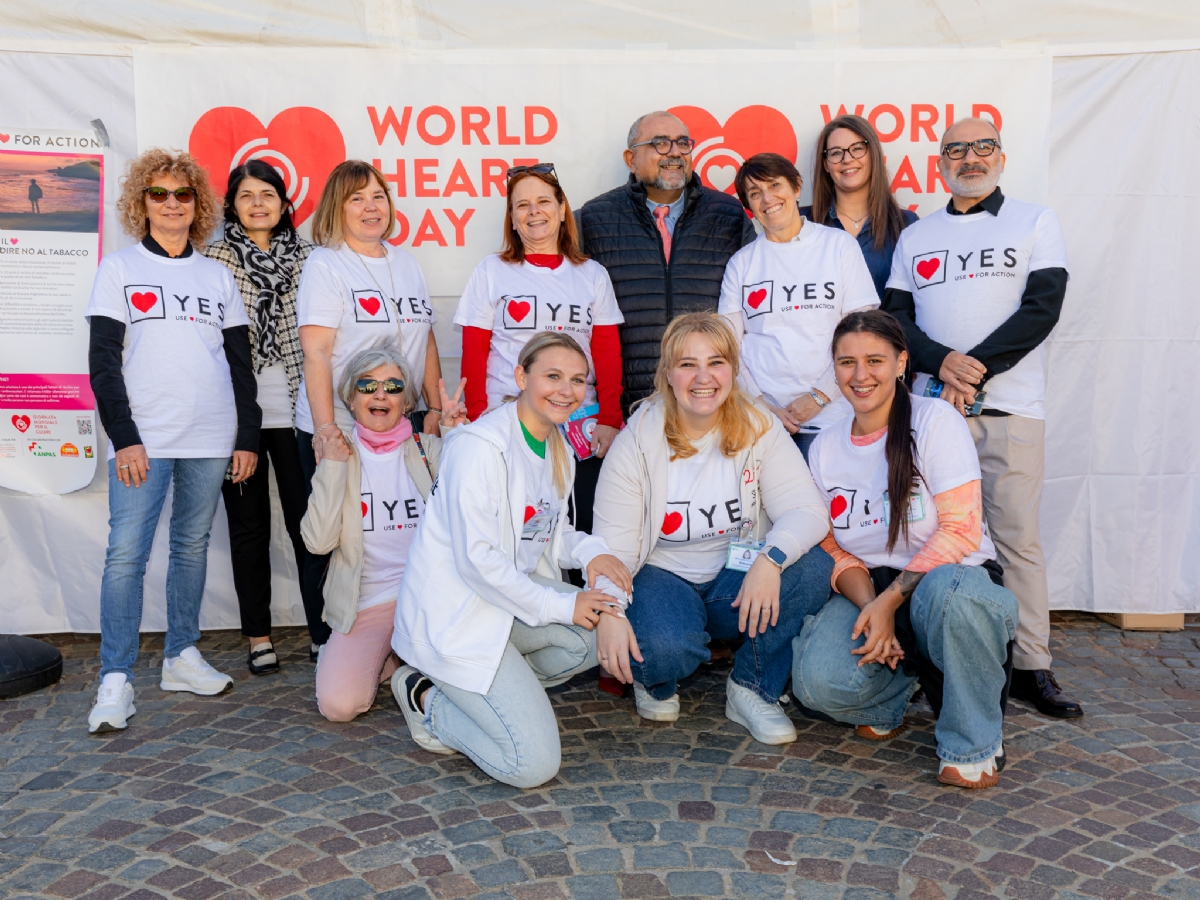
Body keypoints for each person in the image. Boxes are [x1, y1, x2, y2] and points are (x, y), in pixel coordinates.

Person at [881, 118, 1081, 719]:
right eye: (957, 149)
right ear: (940, 161)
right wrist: (943, 366)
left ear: (1001, 155)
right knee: (929, 534)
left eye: (982, 147)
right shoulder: (918, 235)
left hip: (1011, 410)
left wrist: (974, 371)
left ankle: (1030, 667)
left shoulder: (1034, 219)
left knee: (1017, 540)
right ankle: (936, 660)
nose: (970, 158)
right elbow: (897, 319)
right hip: (933, 415)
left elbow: (1042, 307)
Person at [391, 332, 631, 788]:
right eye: (553, 376)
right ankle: (428, 699)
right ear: (521, 376)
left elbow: (550, 536)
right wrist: (564, 605)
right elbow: (477, 562)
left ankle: (498, 694)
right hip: (458, 618)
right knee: (532, 765)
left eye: (578, 380)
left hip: (505, 605)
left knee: (588, 637)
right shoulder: (480, 447)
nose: (567, 390)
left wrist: (594, 552)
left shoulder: (557, 444)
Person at [793, 309, 1019, 789]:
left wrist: (889, 602)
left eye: (874, 360)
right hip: (874, 587)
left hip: (951, 581)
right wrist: (872, 609)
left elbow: (960, 530)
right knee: (817, 683)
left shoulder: (936, 421)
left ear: (901, 363)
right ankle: (895, 690)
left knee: (949, 597)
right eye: (846, 362)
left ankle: (972, 743)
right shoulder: (826, 446)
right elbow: (832, 546)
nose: (860, 375)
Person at [592, 312, 833, 745]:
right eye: (687, 364)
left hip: (734, 577)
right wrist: (609, 612)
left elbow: (807, 510)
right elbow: (614, 548)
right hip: (660, 574)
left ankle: (752, 687)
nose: (703, 377)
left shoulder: (758, 423)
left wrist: (771, 559)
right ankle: (659, 675)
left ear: (734, 370)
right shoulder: (638, 440)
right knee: (666, 649)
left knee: (812, 566)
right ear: (668, 374)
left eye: (716, 362)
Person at [84, 149, 259, 733]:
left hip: (211, 437)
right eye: (158, 194)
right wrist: (126, 438)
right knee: (126, 554)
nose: (171, 204)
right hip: (145, 440)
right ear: (142, 204)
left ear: (197, 205)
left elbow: (240, 366)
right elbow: (103, 364)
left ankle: (181, 655)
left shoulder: (216, 275)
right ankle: (116, 677)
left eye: (182, 194)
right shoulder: (119, 269)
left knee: (190, 546)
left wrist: (246, 437)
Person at [294, 160, 443, 656]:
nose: (370, 206)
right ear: (337, 208)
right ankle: (328, 641)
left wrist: (437, 407)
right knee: (334, 531)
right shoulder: (326, 264)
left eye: (378, 195)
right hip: (338, 424)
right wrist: (323, 428)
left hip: (402, 421)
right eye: (357, 198)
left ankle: (404, 633)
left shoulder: (406, 262)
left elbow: (426, 337)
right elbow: (316, 351)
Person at [455, 163, 624, 534]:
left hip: (580, 423)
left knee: (581, 527)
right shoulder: (491, 271)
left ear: (562, 210)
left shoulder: (591, 274)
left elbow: (608, 352)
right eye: (522, 205)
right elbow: (473, 353)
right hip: (511, 421)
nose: (534, 212)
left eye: (544, 201)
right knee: (517, 530)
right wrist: (482, 420)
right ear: (512, 219)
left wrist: (611, 418)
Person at [301, 348, 467, 722]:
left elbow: (473, 509)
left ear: (407, 401)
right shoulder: (338, 455)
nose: (380, 394)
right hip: (370, 601)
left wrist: (459, 438)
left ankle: (399, 660)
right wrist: (331, 468)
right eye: (368, 385)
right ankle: (386, 656)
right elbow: (318, 542)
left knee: (470, 686)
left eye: (392, 386)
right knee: (338, 706)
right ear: (350, 397)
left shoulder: (430, 450)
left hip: (430, 596)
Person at [205, 160, 314, 675]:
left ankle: (323, 630)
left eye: (267, 193)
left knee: (308, 525)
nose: (257, 203)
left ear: (283, 202)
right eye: (246, 195)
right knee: (248, 529)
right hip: (238, 416)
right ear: (232, 205)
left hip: (299, 412)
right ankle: (258, 636)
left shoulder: (311, 258)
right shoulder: (213, 259)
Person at [578, 110, 755, 414]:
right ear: (631, 159)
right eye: (660, 143)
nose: (674, 152)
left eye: (682, 143)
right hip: (627, 406)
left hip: (710, 400)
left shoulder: (729, 217)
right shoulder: (593, 220)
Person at [720, 153, 878, 459]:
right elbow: (728, 347)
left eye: (775, 185)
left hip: (836, 418)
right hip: (763, 424)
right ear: (748, 206)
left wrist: (819, 397)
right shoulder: (741, 264)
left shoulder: (838, 246)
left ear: (796, 187)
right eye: (755, 194)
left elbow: (864, 335)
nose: (767, 199)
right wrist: (761, 406)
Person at [800, 114, 919, 299]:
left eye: (857, 148)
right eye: (836, 152)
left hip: (885, 328)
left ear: (873, 155)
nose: (847, 159)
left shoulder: (906, 224)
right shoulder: (801, 223)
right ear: (825, 164)